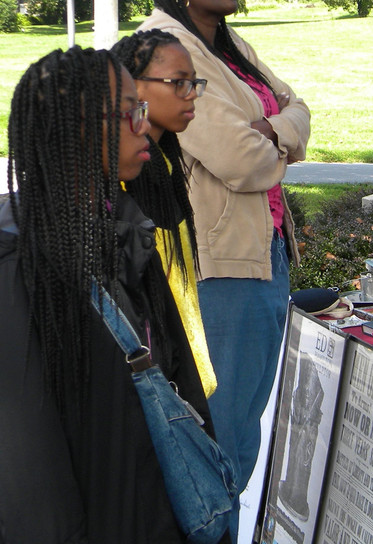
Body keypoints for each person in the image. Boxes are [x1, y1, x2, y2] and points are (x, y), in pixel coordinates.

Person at [0, 47, 223, 543]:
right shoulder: (20, 267)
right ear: (73, 127)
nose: (143, 126)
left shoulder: (122, 231)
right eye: (128, 112)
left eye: (141, 110)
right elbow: (30, 474)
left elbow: (178, 386)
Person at [139, 0, 310, 525]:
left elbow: (300, 109)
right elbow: (241, 160)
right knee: (222, 438)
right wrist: (272, 135)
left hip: (263, 255)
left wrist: (272, 130)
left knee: (238, 434)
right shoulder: (170, 50)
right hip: (219, 268)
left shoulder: (231, 45)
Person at [113, 28, 217, 398]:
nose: (191, 96)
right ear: (133, 88)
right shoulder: (124, 187)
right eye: (178, 83)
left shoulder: (167, 166)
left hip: (183, 369)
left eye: (194, 83)